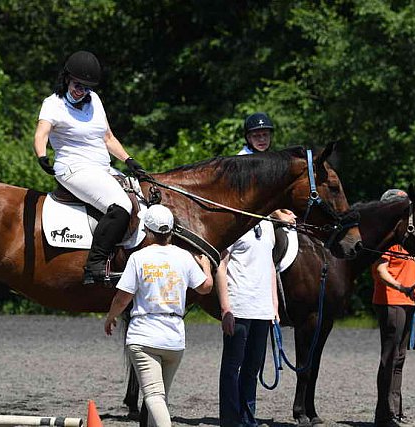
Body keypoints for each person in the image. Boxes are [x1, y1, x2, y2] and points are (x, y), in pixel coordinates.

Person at [33, 50, 147, 285]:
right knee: (121, 206)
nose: (81, 91)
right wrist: (42, 155)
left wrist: (129, 160)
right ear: (66, 78)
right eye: (77, 85)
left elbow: (107, 138)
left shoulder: (94, 100)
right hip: (73, 168)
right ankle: (94, 264)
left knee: (143, 196)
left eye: (86, 87)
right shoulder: (53, 104)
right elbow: (41, 133)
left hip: (101, 168)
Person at [216, 112, 296, 427]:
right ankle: (230, 420)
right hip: (239, 302)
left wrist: (274, 304)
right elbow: (252, 195)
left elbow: (270, 196)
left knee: (253, 366)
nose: (262, 138)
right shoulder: (241, 162)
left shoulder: (272, 161)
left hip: (262, 305)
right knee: (234, 364)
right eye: (257, 134)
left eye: (266, 134)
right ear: (248, 137)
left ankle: (247, 417)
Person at [104, 204, 213, 427]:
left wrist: (110, 317)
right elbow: (205, 287)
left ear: (147, 230)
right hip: (174, 339)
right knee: (160, 398)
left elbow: (122, 298)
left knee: (154, 396)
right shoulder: (184, 257)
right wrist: (206, 267)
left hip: (144, 337)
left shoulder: (139, 258)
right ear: (171, 230)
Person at [372, 189, 415, 427]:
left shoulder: (409, 240)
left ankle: (395, 410)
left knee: (399, 359)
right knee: (389, 357)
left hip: (408, 301)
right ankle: (383, 414)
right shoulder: (386, 239)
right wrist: (400, 287)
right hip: (390, 300)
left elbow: (412, 274)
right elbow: (381, 270)